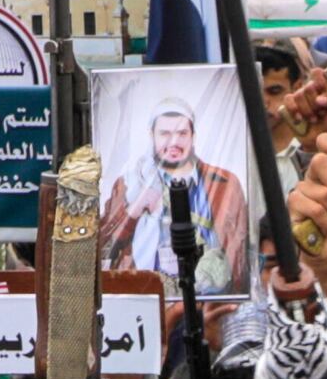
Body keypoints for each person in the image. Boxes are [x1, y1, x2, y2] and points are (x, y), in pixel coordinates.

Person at [101, 97, 257, 288]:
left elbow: (242, 250)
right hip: (149, 297)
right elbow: (103, 248)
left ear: (193, 136)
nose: (174, 142)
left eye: (182, 133)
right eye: (165, 134)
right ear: (151, 136)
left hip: (212, 300)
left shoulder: (226, 183)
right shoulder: (128, 184)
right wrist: (133, 211)